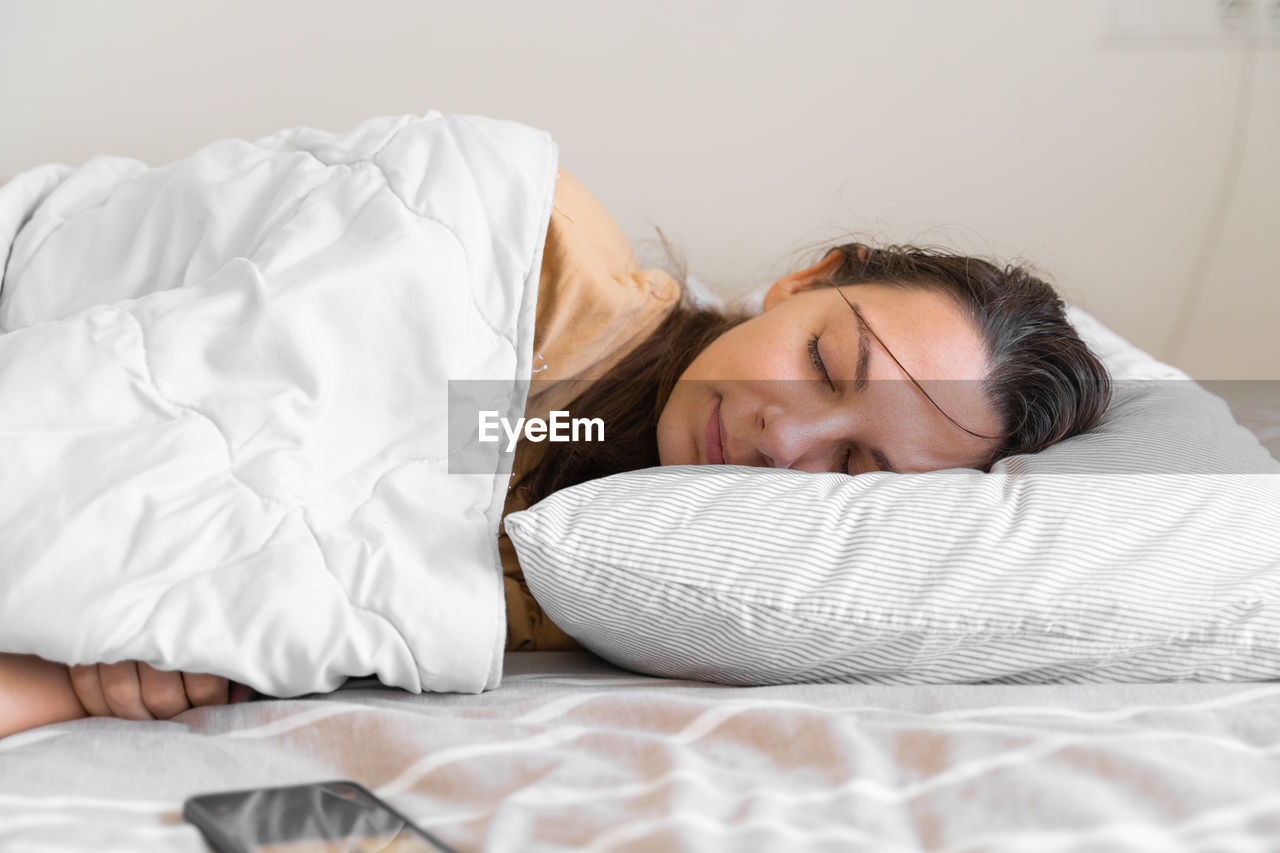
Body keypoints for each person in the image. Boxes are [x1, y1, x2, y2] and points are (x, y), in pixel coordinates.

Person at [0, 168, 1110, 737]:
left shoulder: (594, 570)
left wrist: (111, 678)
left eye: (858, 469)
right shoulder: (547, 264)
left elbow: (328, 563)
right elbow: (300, 383)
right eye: (824, 363)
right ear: (806, 281)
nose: (788, 439)